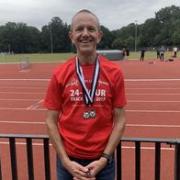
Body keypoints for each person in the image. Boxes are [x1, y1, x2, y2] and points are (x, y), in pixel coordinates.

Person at [44, 9, 126, 180]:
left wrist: (104, 159)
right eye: (79, 29)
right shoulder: (60, 73)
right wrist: (66, 162)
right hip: (68, 161)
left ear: (100, 35)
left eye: (91, 29)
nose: (85, 34)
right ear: (71, 35)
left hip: (103, 161)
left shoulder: (114, 72)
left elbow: (120, 120)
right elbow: (50, 120)